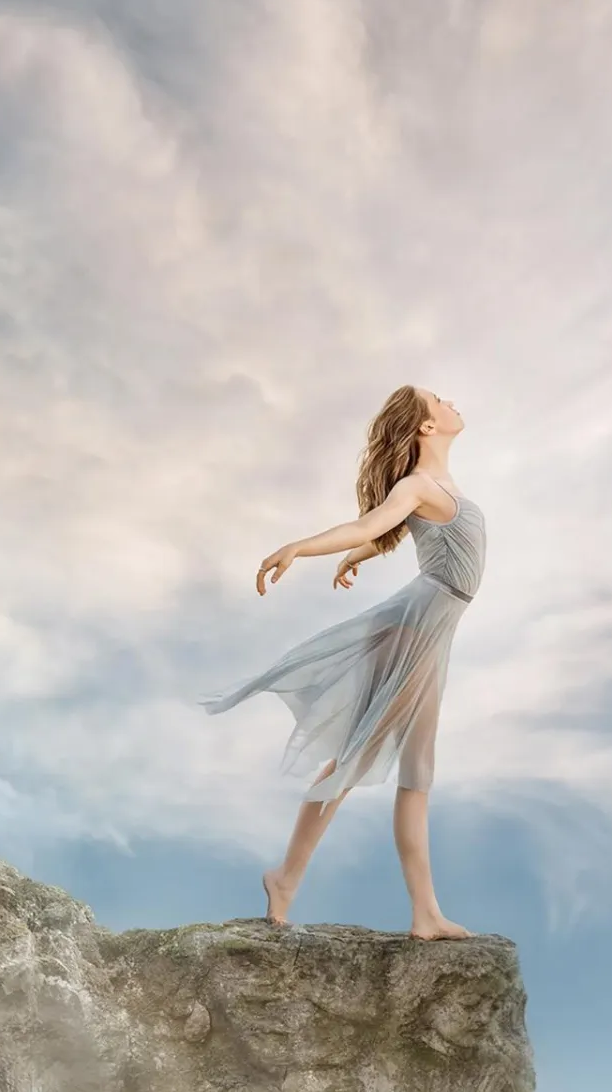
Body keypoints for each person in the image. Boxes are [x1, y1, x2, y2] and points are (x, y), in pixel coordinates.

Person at [199, 386, 486, 939]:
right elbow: (370, 523)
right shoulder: (418, 485)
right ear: (427, 427)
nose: (451, 400)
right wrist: (301, 548)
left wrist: (361, 554)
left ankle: (424, 912)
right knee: (360, 759)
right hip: (417, 628)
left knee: (417, 771)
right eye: (439, 399)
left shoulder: (438, 488)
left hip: (435, 629)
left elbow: (394, 533)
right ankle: (285, 878)